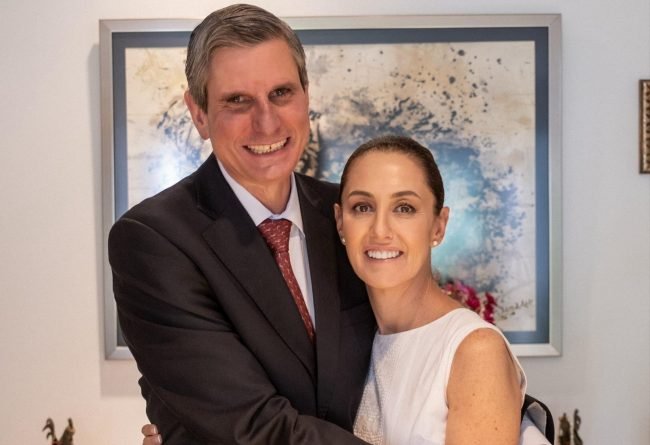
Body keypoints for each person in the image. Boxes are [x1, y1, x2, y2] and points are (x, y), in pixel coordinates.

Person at [142, 135, 553, 445]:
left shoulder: (474, 351)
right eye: (363, 207)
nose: (380, 230)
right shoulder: (349, 341)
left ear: (438, 226)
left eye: (404, 208)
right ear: (340, 223)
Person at [109, 4, 374, 444]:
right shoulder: (153, 240)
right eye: (237, 101)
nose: (266, 122)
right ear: (199, 114)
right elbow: (252, 428)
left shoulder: (351, 213)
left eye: (281, 93)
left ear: (306, 96)